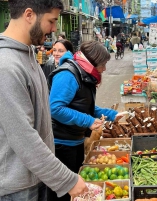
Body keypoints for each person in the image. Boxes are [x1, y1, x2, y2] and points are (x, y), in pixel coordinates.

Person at [0, 1, 88, 200]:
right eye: (51, 21)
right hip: (15, 188)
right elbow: (23, 137)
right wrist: (66, 180)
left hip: (34, 176)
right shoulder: (4, 66)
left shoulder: (26, 54)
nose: (54, 29)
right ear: (29, 15)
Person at [47, 40, 124, 201]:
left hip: (75, 140)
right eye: (103, 64)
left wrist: (112, 115)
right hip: (61, 143)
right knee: (64, 192)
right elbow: (55, 108)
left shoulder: (84, 74)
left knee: (75, 188)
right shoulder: (68, 74)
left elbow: (85, 107)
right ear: (93, 61)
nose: (104, 69)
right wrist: (87, 121)